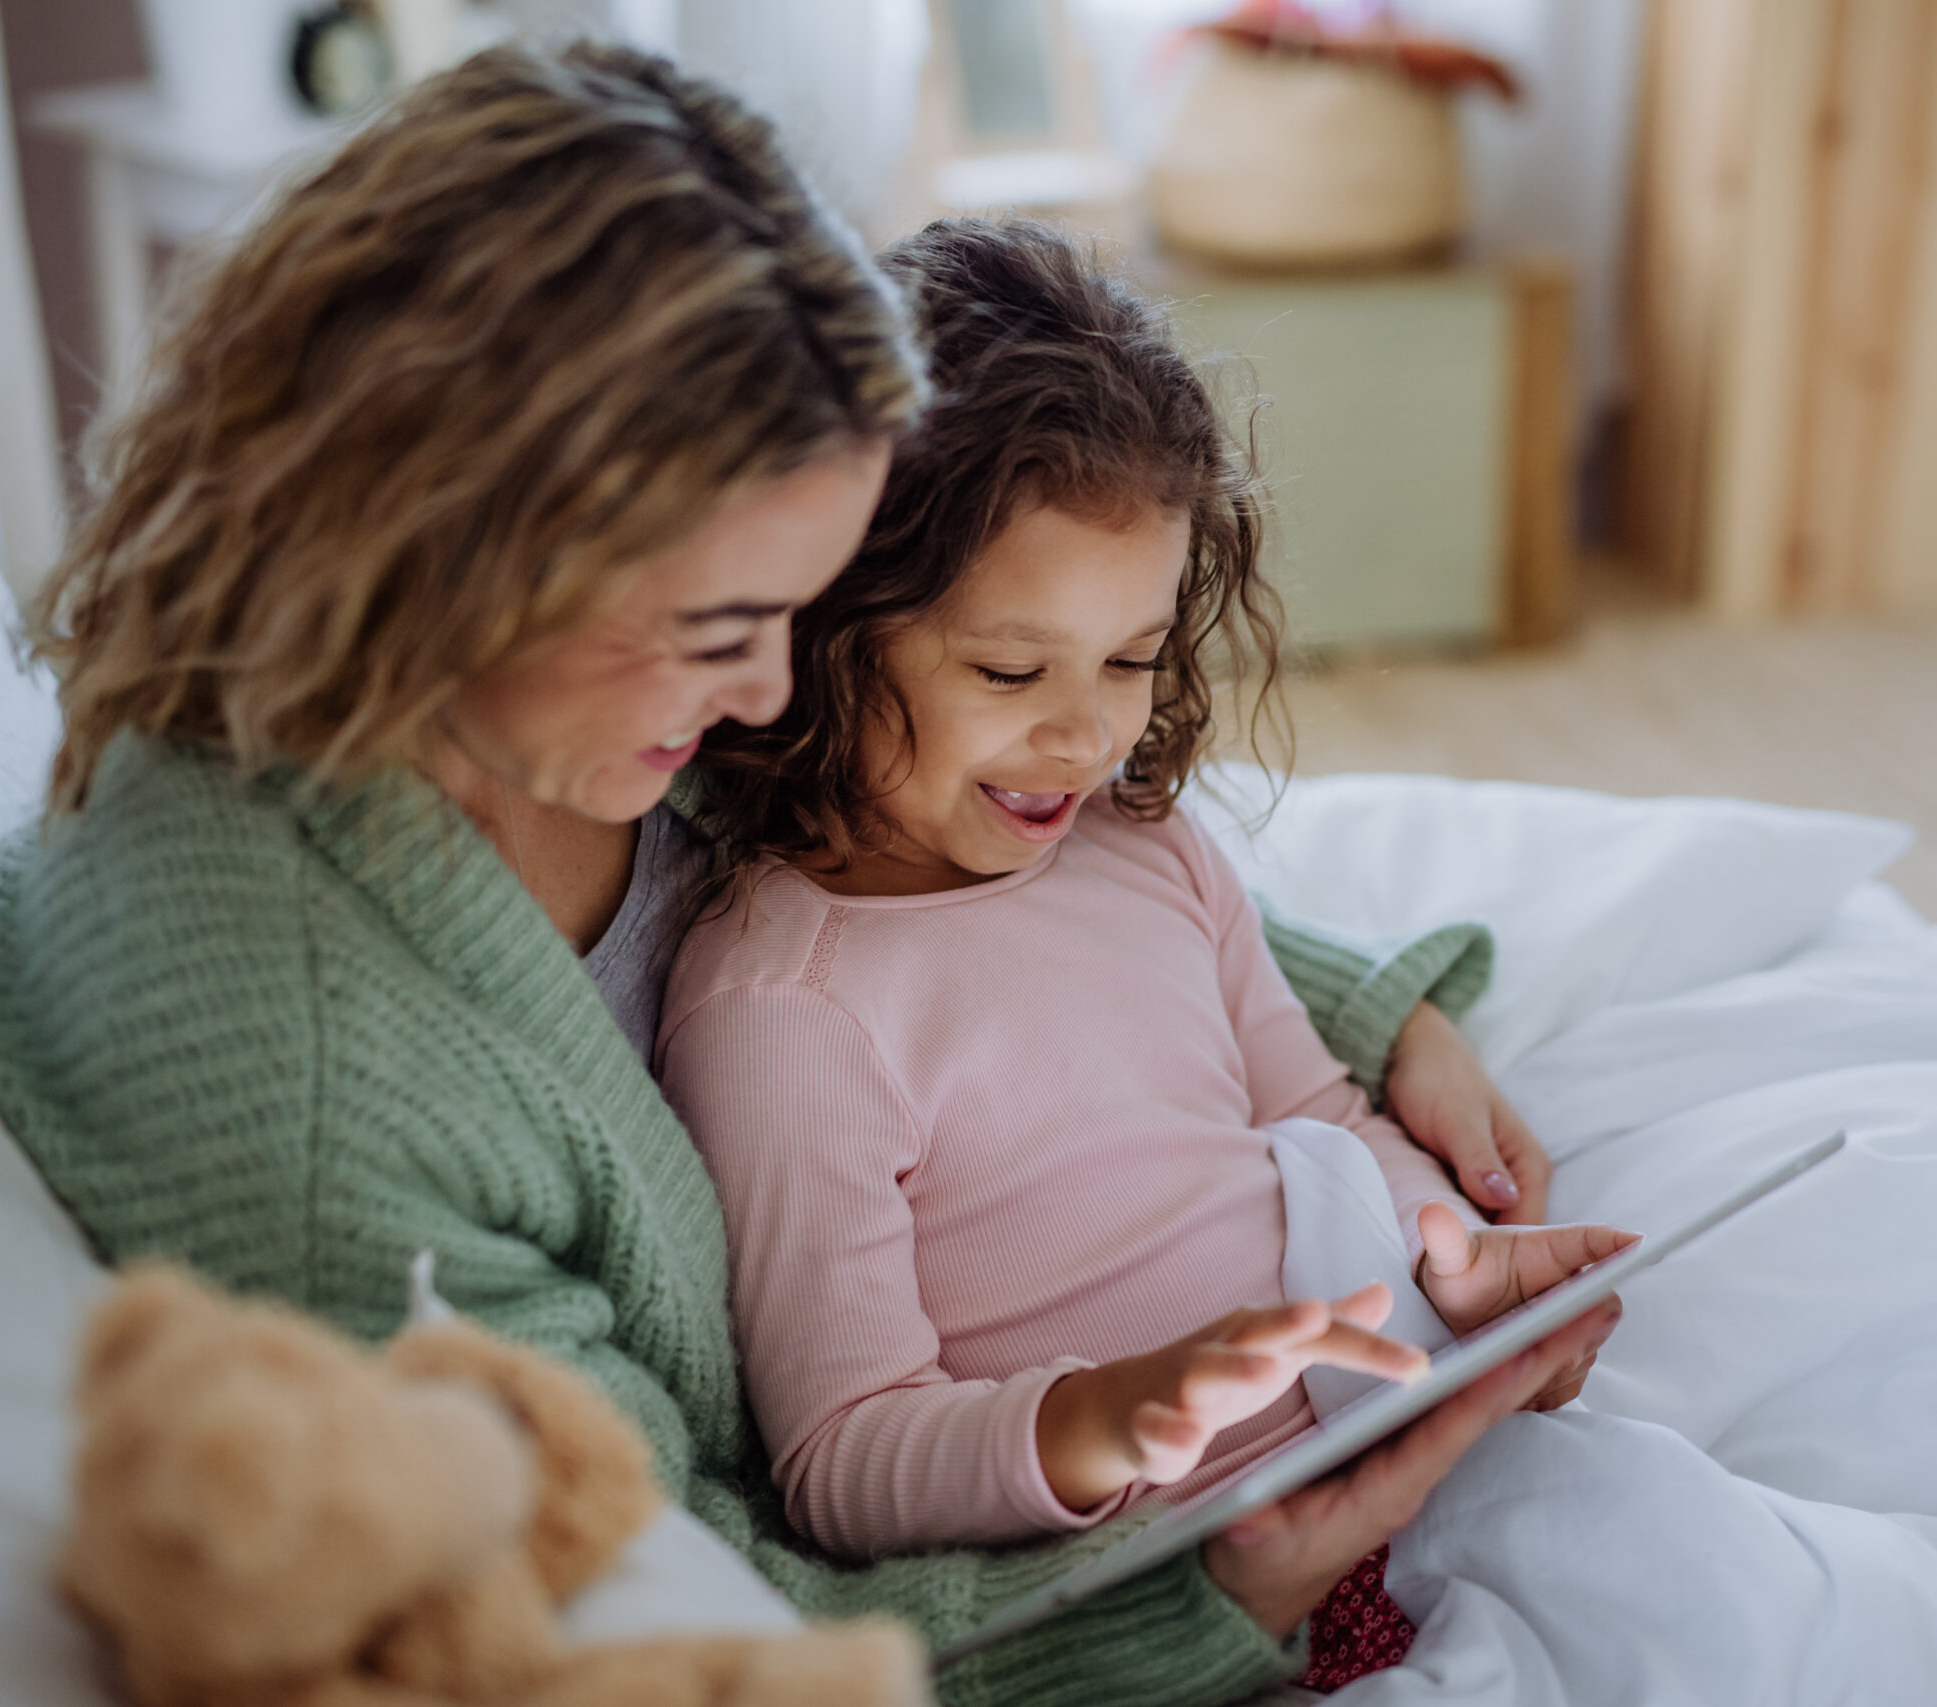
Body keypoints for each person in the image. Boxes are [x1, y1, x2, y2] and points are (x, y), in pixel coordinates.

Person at [0, 43, 1565, 1707]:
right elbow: (678, 1559)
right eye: (725, 630)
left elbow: (973, 839)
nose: (775, 695)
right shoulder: (320, 1092)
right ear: (458, 546)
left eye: (798, 608)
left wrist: (1359, 1019)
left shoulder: (581, 687)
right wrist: (1180, 1608)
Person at [659, 219, 1628, 1685]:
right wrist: (1104, 1417)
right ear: (818, 628)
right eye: (1007, 670)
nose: (1088, 733)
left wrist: (1461, 1260)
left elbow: (1317, 1118)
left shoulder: (1148, 852)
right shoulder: (785, 1009)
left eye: (1132, 659)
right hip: (1185, 1594)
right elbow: (845, 1460)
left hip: (1405, 1458)